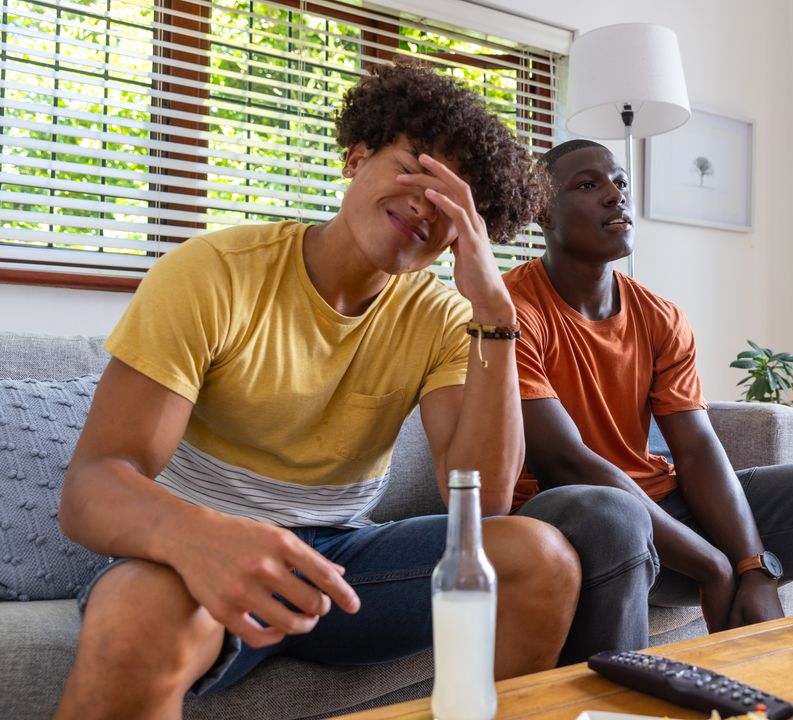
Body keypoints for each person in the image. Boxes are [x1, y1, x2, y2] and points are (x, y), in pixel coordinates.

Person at [54, 64, 582, 719]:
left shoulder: (449, 319)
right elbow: (93, 485)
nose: (427, 203)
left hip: (340, 563)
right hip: (199, 549)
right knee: (137, 616)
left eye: (454, 201)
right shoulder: (214, 273)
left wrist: (496, 318)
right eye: (414, 169)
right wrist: (199, 537)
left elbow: (481, 500)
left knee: (541, 558)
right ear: (356, 158)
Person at [506, 139, 793, 657]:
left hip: (662, 516)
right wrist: (710, 563)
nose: (615, 195)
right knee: (615, 516)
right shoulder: (511, 310)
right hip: (576, 527)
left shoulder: (660, 317)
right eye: (588, 185)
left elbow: (696, 448)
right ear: (542, 212)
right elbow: (564, 462)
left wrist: (752, 564)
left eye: (621, 182)